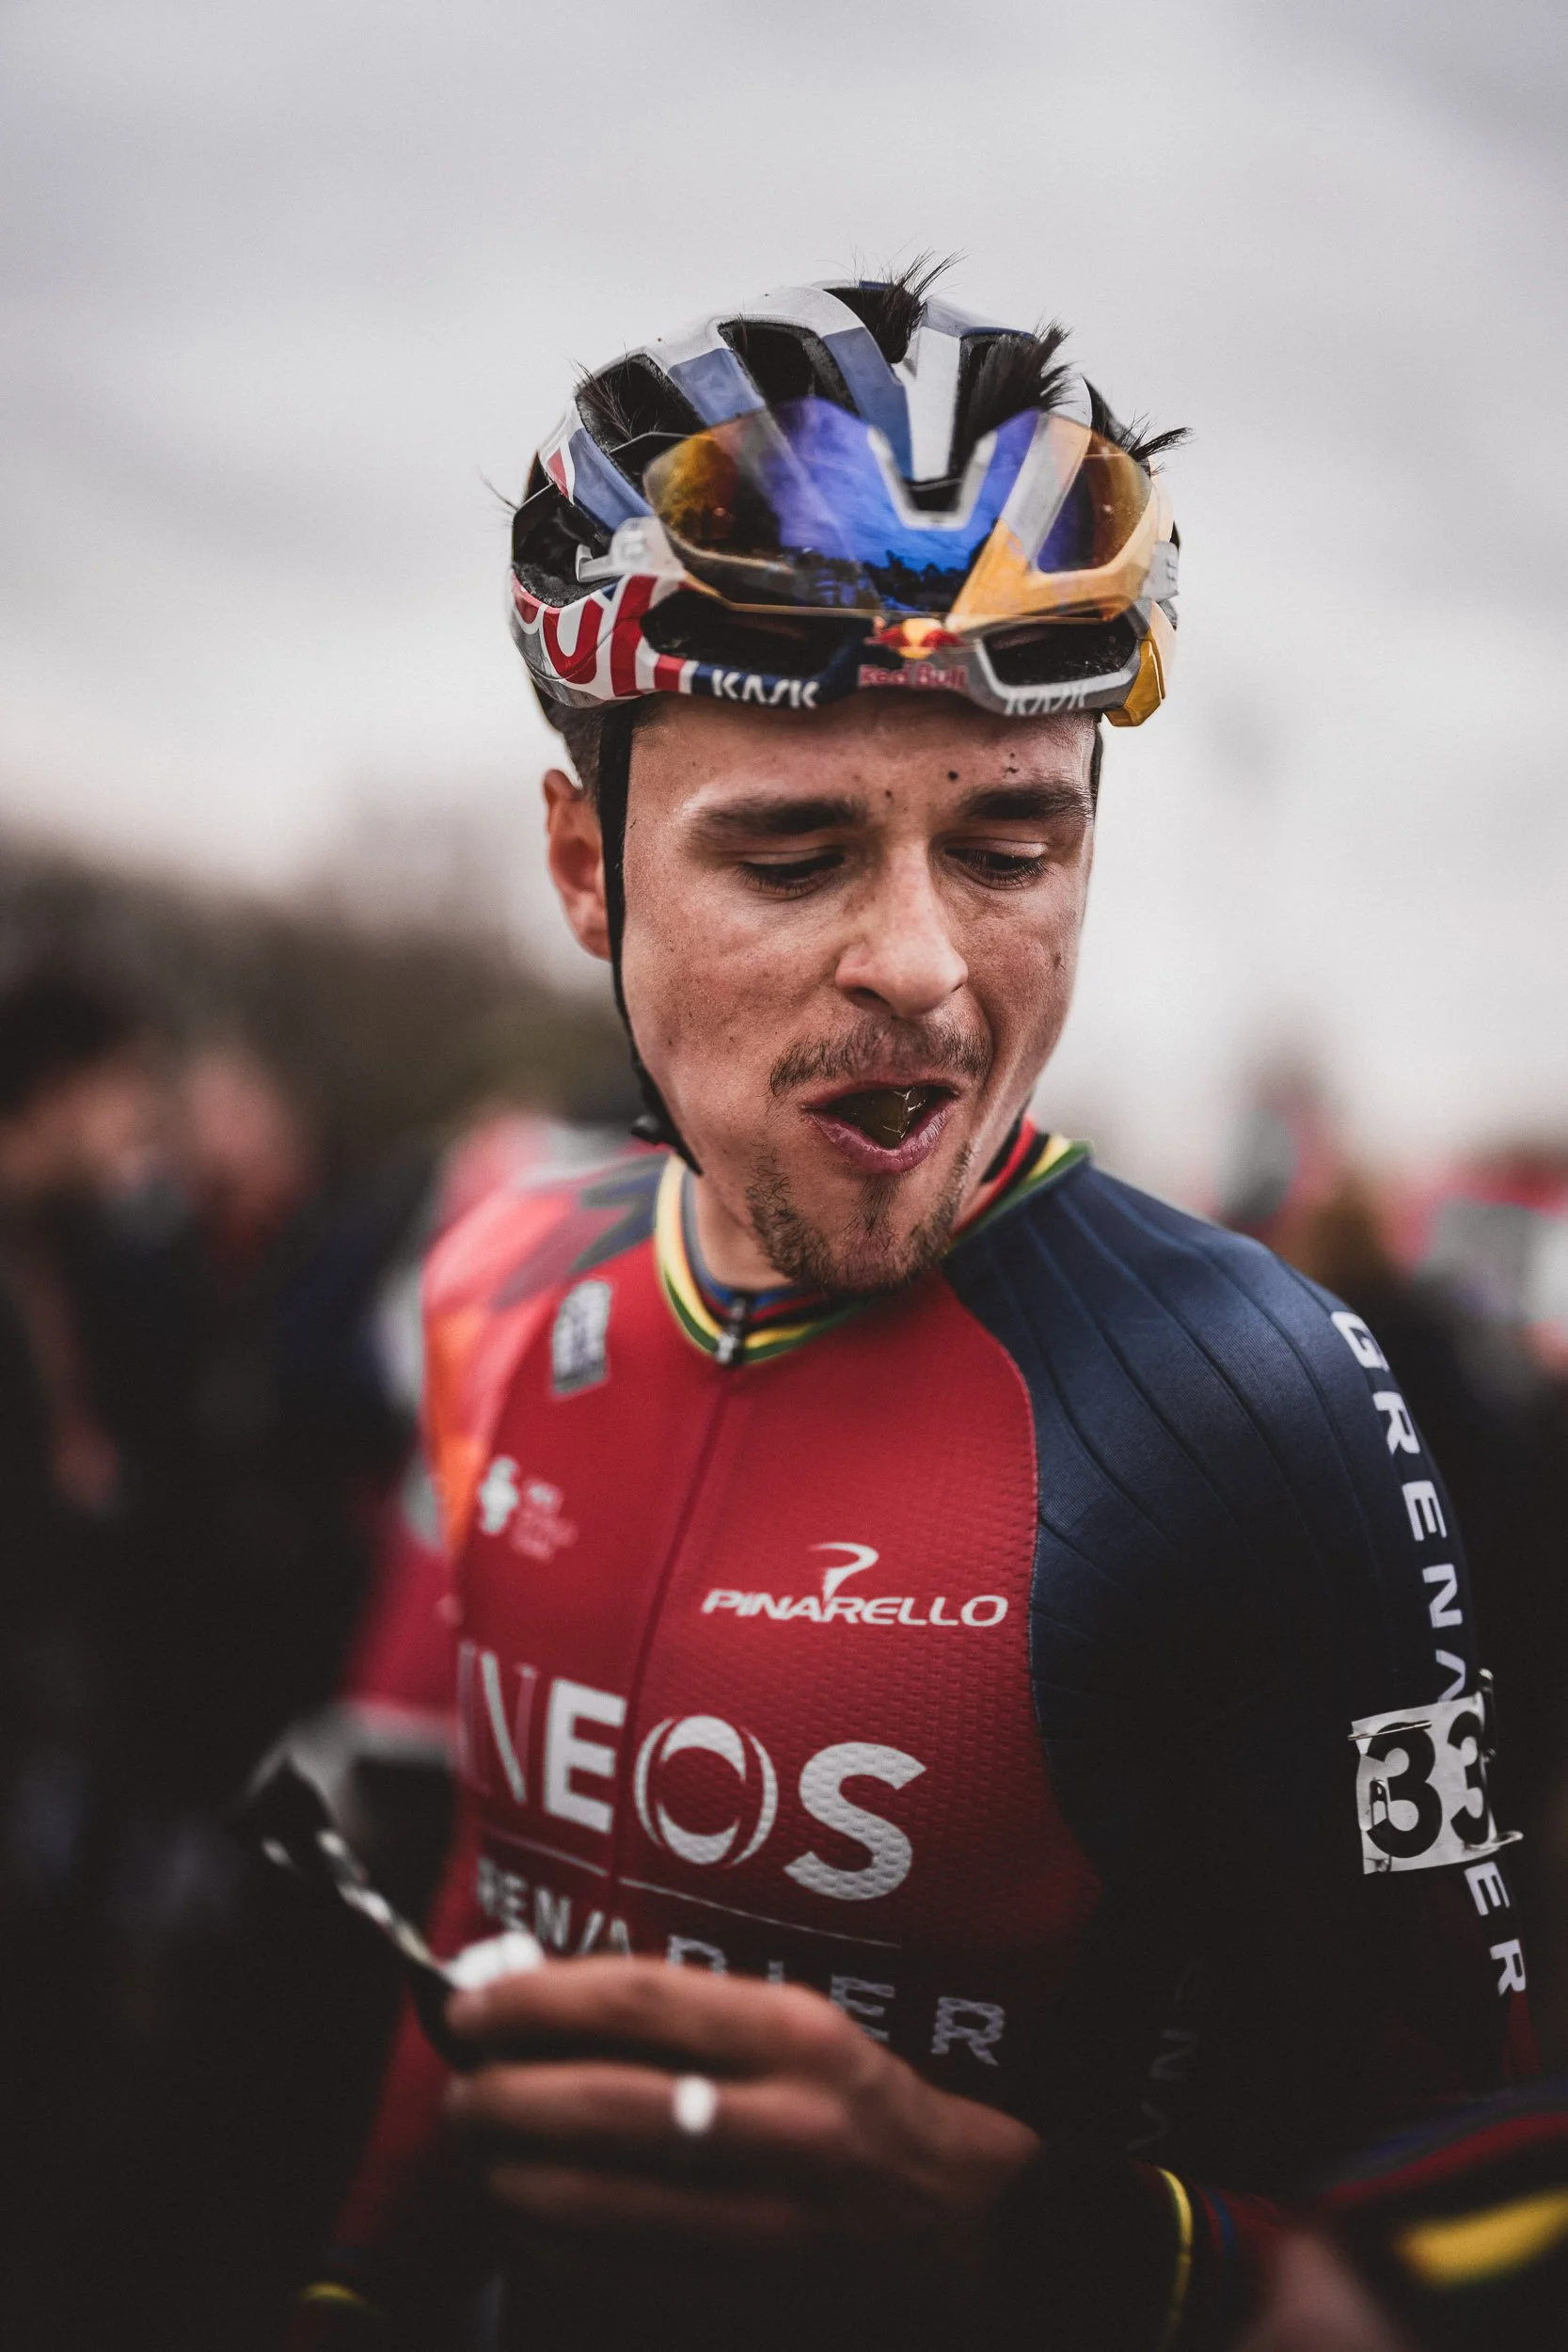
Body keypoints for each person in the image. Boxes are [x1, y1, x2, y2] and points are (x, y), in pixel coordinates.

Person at [293, 266, 1531, 2351]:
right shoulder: (499, 1284)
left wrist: (1043, 2239)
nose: (927, 969)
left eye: (1010, 844)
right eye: (789, 852)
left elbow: (1498, 2195)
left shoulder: (1243, 1400)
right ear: (585, 870)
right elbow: (497, 1934)